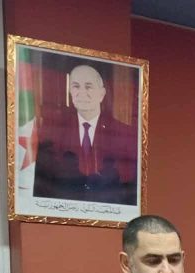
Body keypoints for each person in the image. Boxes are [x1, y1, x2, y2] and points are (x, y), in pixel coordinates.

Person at [34, 63, 138, 204]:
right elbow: (44, 184)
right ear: (70, 92)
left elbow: (129, 186)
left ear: (102, 94)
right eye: (76, 86)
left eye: (88, 87)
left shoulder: (124, 133)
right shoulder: (53, 133)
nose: (82, 93)